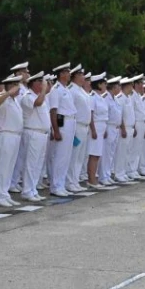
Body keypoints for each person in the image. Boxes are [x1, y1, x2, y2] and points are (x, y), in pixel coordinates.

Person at [0, 74, 23, 207]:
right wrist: (8, 92)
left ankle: (4, 193)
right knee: (3, 166)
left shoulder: (14, 100)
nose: (19, 89)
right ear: (11, 86)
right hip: (5, 135)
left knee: (9, 167)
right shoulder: (2, 96)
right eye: (17, 86)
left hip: (15, 135)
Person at [19, 71, 50, 202]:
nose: (43, 84)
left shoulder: (41, 96)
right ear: (33, 84)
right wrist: (43, 91)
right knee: (31, 163)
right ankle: (27, 191)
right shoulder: (27, 96)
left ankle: (33, 189)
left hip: (42, 134)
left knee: (38, 164)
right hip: (33, 133)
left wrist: (44, 92)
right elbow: (37, 103)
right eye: (40, 82)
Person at [47, 63, 76, 197]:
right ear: (62, 74)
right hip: (62, 123)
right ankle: (56, 186)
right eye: (67, 72)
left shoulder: (66, 89)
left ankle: (61, 184)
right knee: (59, 157)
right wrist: (56, 130)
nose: (69, 75)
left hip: (70, 122)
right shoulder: (56, 89)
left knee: (66, 157)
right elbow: (53, 111)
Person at [67, 65, 93, 191]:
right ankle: (70, 182)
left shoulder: (82, 91)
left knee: (80, 156)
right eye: (81, 75)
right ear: (75, 76)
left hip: (85, 126)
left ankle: (75, 181)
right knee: (74, 155)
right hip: (76, 125)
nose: (84, 77)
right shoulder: (71, 90)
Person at [8, 62, 31, 194]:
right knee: (16, 157)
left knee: (21, 156)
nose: (28, 74)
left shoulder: (25, 88)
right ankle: (12, 182)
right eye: (25, 72)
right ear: (18, 74)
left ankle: (15, 181)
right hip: (18, 125)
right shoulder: (17, 87)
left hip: (22, 125)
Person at [87, 73, 109, 188]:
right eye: (104, 83)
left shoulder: (100, 97)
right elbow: (90, 115)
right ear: (99, 84)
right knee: (93, 154)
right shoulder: (93, 97)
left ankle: (93, 177)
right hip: (95, 127)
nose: (105, 86)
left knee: (97, 154)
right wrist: (93, 130)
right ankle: (91, 179)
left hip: (101, 127)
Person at [100, 77, 121, 186]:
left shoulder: (115, 98)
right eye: (118, 86)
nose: (120, 88)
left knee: (111, 153)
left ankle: (107, 175)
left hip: (116, 128)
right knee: (106, 154)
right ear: (114, 87)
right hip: (108, 127)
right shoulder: (105, 98)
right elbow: (105, 114)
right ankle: (103, 176)